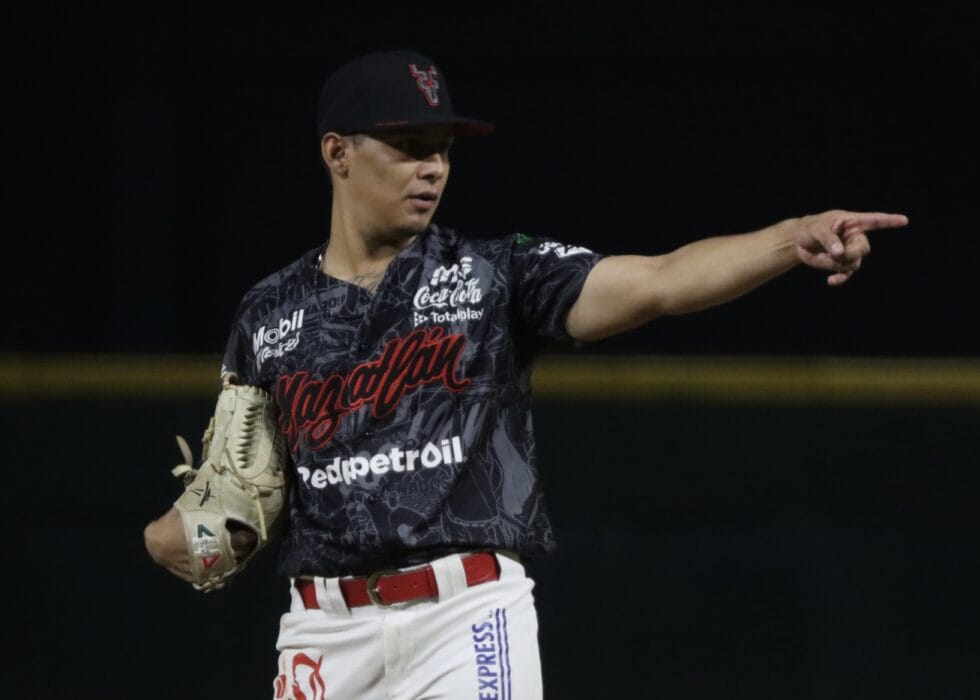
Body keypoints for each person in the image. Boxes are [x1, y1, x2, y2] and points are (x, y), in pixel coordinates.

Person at [144, 48, 908, 699]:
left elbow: (660, 280)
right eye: (407, 144)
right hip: (321, 632)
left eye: (442, 147)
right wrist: (194, 529)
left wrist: (790, 238)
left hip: (463, 616)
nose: (432, 167)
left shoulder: (493, 275)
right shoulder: (270, 313)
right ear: (336, 152)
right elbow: (243, 492)